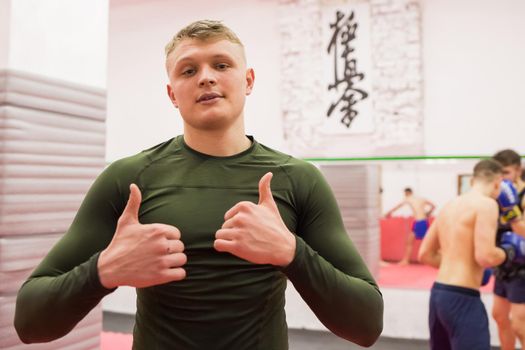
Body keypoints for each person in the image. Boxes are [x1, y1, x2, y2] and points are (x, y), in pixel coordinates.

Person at [13, 20, 383, 349]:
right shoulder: (128, 180)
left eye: (221, 65)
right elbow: (30, 321)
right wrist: (103, 271)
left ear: (248, 80)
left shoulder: (298, 179)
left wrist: (291, 252)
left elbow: (366, 326)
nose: (206, 77)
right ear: (172, 94)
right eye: (188, 70)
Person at [418, 159, 521, 350]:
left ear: (473, 181)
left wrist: (460, 263)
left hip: (439, 294)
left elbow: (425, 254)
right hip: (462, 297)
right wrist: (509, 251)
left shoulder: (449, 205)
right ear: (498, 182)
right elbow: (486, 257)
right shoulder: (487, 205)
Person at [491, 149, 525, 350]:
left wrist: (511, 209)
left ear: (518, 170)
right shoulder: (496, 195)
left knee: (520, 324)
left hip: (522, 267)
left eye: (506, 173)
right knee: (500, 316)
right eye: (499, 174)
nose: (502, 179)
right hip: (504, 263)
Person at [384, 187, 435, 265]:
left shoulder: (408, 199)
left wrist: (388, 213)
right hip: (423, 221)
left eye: (404, 194)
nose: (404, 196)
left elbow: (397, 206)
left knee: (425, 242)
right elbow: (433, 206)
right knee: (410, 241)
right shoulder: (422, 199)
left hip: (419, 222)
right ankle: (406, 260)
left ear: (407, 193)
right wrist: (428, 213)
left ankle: (407, 261)